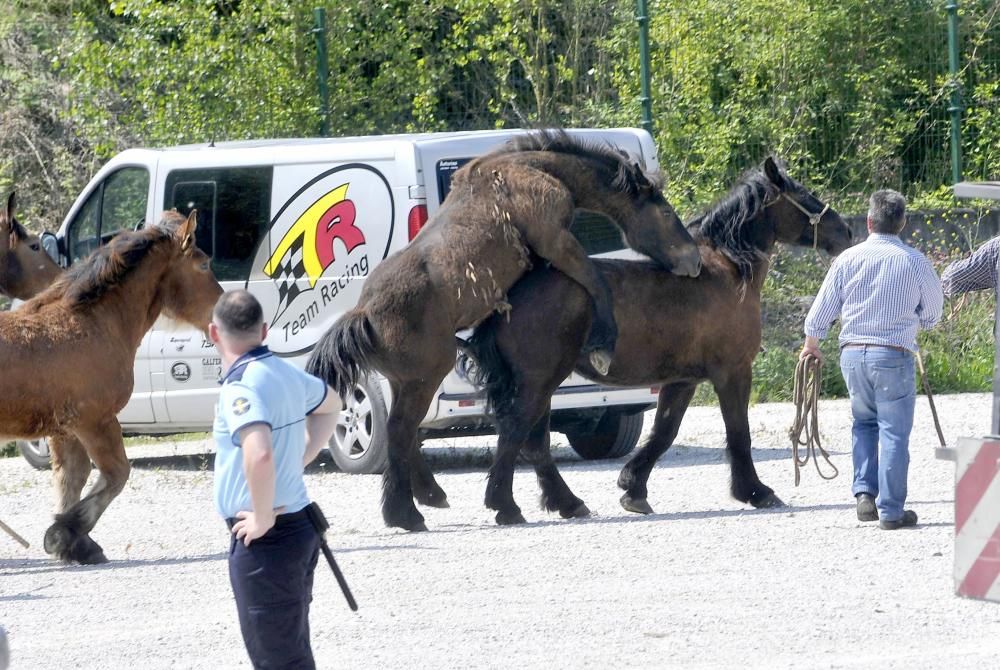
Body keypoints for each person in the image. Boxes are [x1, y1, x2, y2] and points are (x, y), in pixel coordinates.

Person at [210, 289, 341, 669]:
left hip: (269, 537)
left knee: (278, 659)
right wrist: (304, 454)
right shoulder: (285, 373)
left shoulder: (241, 386)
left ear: (213, 333)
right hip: (298, 528)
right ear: (264, 330)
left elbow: (259, 452)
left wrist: (263, 516)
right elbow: (332, 404)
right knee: (290, 649)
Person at [800, 189, 943, 530]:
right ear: (903, 223)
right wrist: (917, 321)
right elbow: (933, 314)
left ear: (868, 222)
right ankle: (892, 511)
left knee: (863, 422)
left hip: (852, 354)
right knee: (893, 432)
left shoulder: (847, 260)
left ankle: (865, 493)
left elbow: (821, 310)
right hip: (893, 354)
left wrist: (811, 345)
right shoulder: (916, 261)